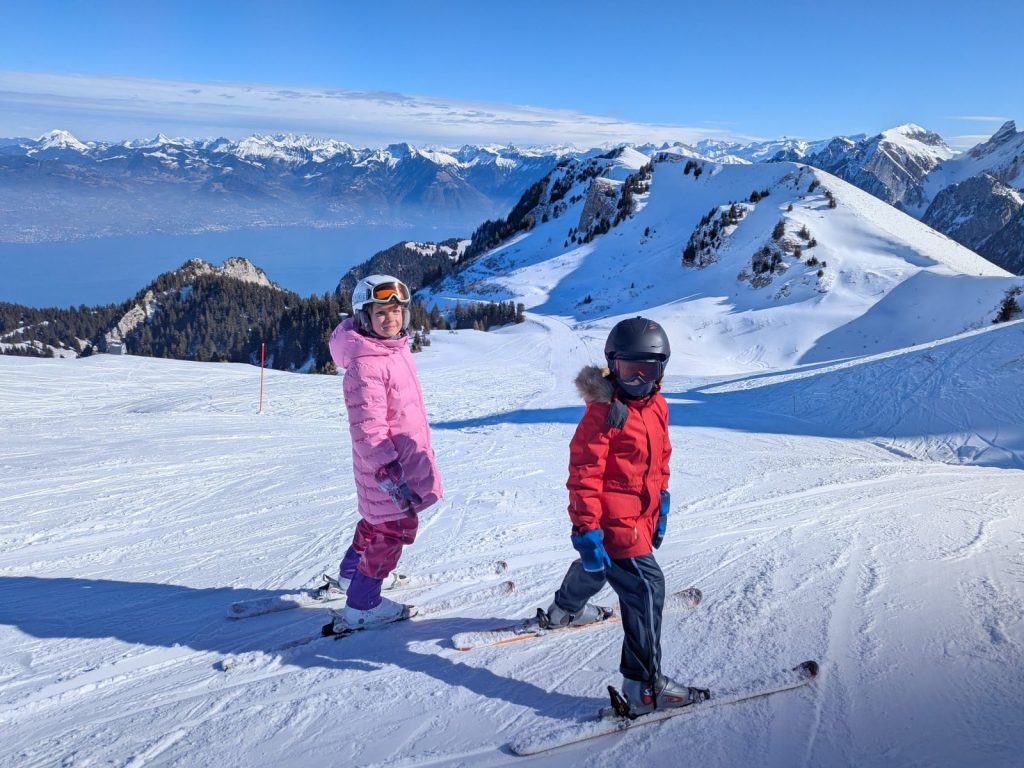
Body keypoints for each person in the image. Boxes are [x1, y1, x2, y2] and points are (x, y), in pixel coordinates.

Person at [543, 316, 707, 715]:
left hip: (640, 515)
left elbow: (661, 458)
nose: (636, 381)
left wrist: (662, 501)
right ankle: (643, 687)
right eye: (627, 371)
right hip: (616, 522)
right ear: (611, 366)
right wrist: (586, 530)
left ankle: (564, 610)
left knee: (599, 569)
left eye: (646, 371)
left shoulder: (658, 406)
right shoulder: (604, 413)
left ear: (660, 371)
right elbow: (583, 474)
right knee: (646, 588)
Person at [327, 274, 442, 631]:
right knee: (394, 530)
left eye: (396, 311)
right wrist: (389, 472)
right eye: (380, 312)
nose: (390, 318)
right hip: (388, 467)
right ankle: (363, 602)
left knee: (376, 521)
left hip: (397, 463)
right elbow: (368, 429)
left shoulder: (391, 349)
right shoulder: (367, 364)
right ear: (365, 317)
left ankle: (351, 574)